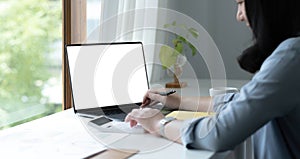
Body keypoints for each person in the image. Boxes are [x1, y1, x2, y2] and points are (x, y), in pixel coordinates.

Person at [125, 0, 300, 158]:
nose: (239, 15)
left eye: (241, 3)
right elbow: (241, 103)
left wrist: (158, 123)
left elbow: (219, 132)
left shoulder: (291, 56)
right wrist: (177, 101)